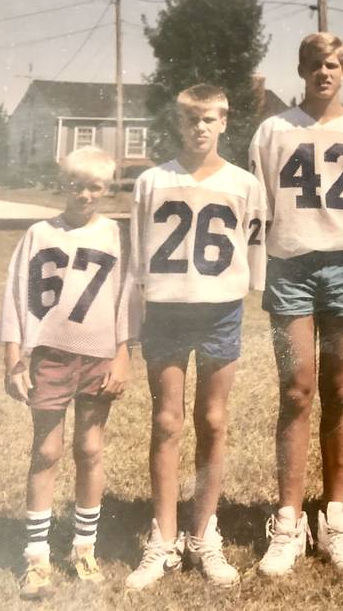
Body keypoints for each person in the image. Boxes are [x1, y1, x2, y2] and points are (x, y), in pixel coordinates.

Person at [248, 32, 343, 576]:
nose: (323, 72)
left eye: (333, 64)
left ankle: (335, 516)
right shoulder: (274, 129)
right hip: (290, 269)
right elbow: (259, 212)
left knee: (341, 390)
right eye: (314, 64)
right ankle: (288, 519)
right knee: (296, 388)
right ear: (301, 69)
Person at [125, 84, 267, 589]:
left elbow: (254, 250)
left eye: (210, 119)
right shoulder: (151, 181)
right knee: (166, 421)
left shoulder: (245, 183)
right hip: (165, 310)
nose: (200, 128)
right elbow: (138, 257)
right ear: (177, 123)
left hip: (219, 310)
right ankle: (163, 537)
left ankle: (205, 531)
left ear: (225, 123)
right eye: (191, 120)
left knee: (212, 419)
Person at [0, 146, 133, 599]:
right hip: (50, 355)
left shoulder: (114, 234)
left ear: (108, 189)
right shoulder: (38, 233)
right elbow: (16, 296)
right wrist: (15, 357)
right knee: (46, 451)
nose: (85, 194)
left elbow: (124, 299)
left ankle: (83, 547)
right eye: (77, 185)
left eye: (96, 187)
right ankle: (36, 556)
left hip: (97, 356)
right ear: (63, 184)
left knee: (90, 447)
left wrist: (122, 354)